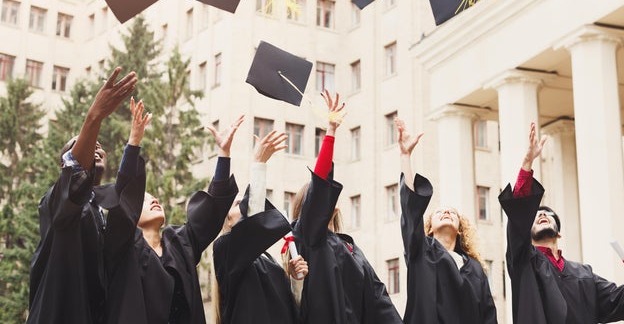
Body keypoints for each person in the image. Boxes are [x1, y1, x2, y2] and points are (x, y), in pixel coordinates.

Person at [103, 115, 243, 324]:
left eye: (153, 197)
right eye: (144, 199)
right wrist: (133, 143)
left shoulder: (179, 242)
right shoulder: (122, 247)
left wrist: (224, 154)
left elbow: (210, 212)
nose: (154, 200)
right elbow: (124, 198)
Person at [28, 68, 141, 324]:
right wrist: (94, 118)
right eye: (87, 145)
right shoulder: (55, 203)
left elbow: (123, 193)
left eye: (98, 144)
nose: (96, 146)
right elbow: (75, 175)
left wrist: (134, 143)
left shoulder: (104, 211)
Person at [499, 122, 624, 323]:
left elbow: (617, 300)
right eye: (536, 215)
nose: (542, 215)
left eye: (548, 214)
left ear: (559, 233)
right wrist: (528, 162)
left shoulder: (584, 274)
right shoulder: (524, 261)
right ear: (526, 232)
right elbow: (518, 218)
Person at [290, 90, 403, 324]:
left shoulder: (351, 247)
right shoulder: (309, 236)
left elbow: (380, 301)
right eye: (317, 199)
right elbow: (320, 183)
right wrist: (330, 133)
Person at [395, 118, 497, 324]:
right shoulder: (420, 252)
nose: (446, 213)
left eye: (452, 212)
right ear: (429, 228)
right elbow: (410, 212)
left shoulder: (475, 268)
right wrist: (406, 156)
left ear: (460, 229)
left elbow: (488, 315)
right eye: (439, 212)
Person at [213, 129, 308, 324]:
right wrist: (258, 164)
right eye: (238, 204)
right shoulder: (225, 249)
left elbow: (290, 309)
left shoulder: (267, 259)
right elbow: (252, 222)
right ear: (227, 219)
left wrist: (296, 280)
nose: (244, 206)